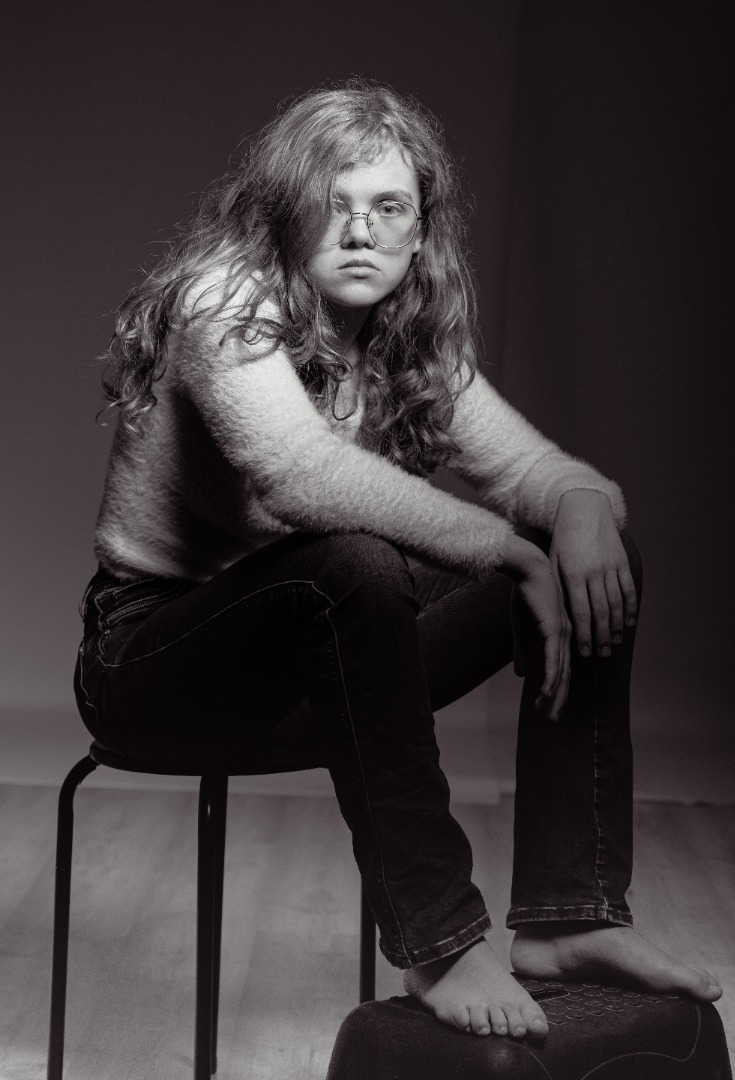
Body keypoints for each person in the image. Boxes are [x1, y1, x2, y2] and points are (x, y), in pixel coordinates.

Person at [75, 81, 722, 1041]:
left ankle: (570, 916)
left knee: (589, 556)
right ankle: (438, 940)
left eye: (388, 209)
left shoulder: (401, 338)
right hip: (154, 668)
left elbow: (529, 469)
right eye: (331, 205)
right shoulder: (222, 300)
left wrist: (584, 505)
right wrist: (500, 545)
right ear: (281, 213)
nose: (360, 232)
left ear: (420, 233)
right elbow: (299, 477)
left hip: (321, 671)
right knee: (350, 561)